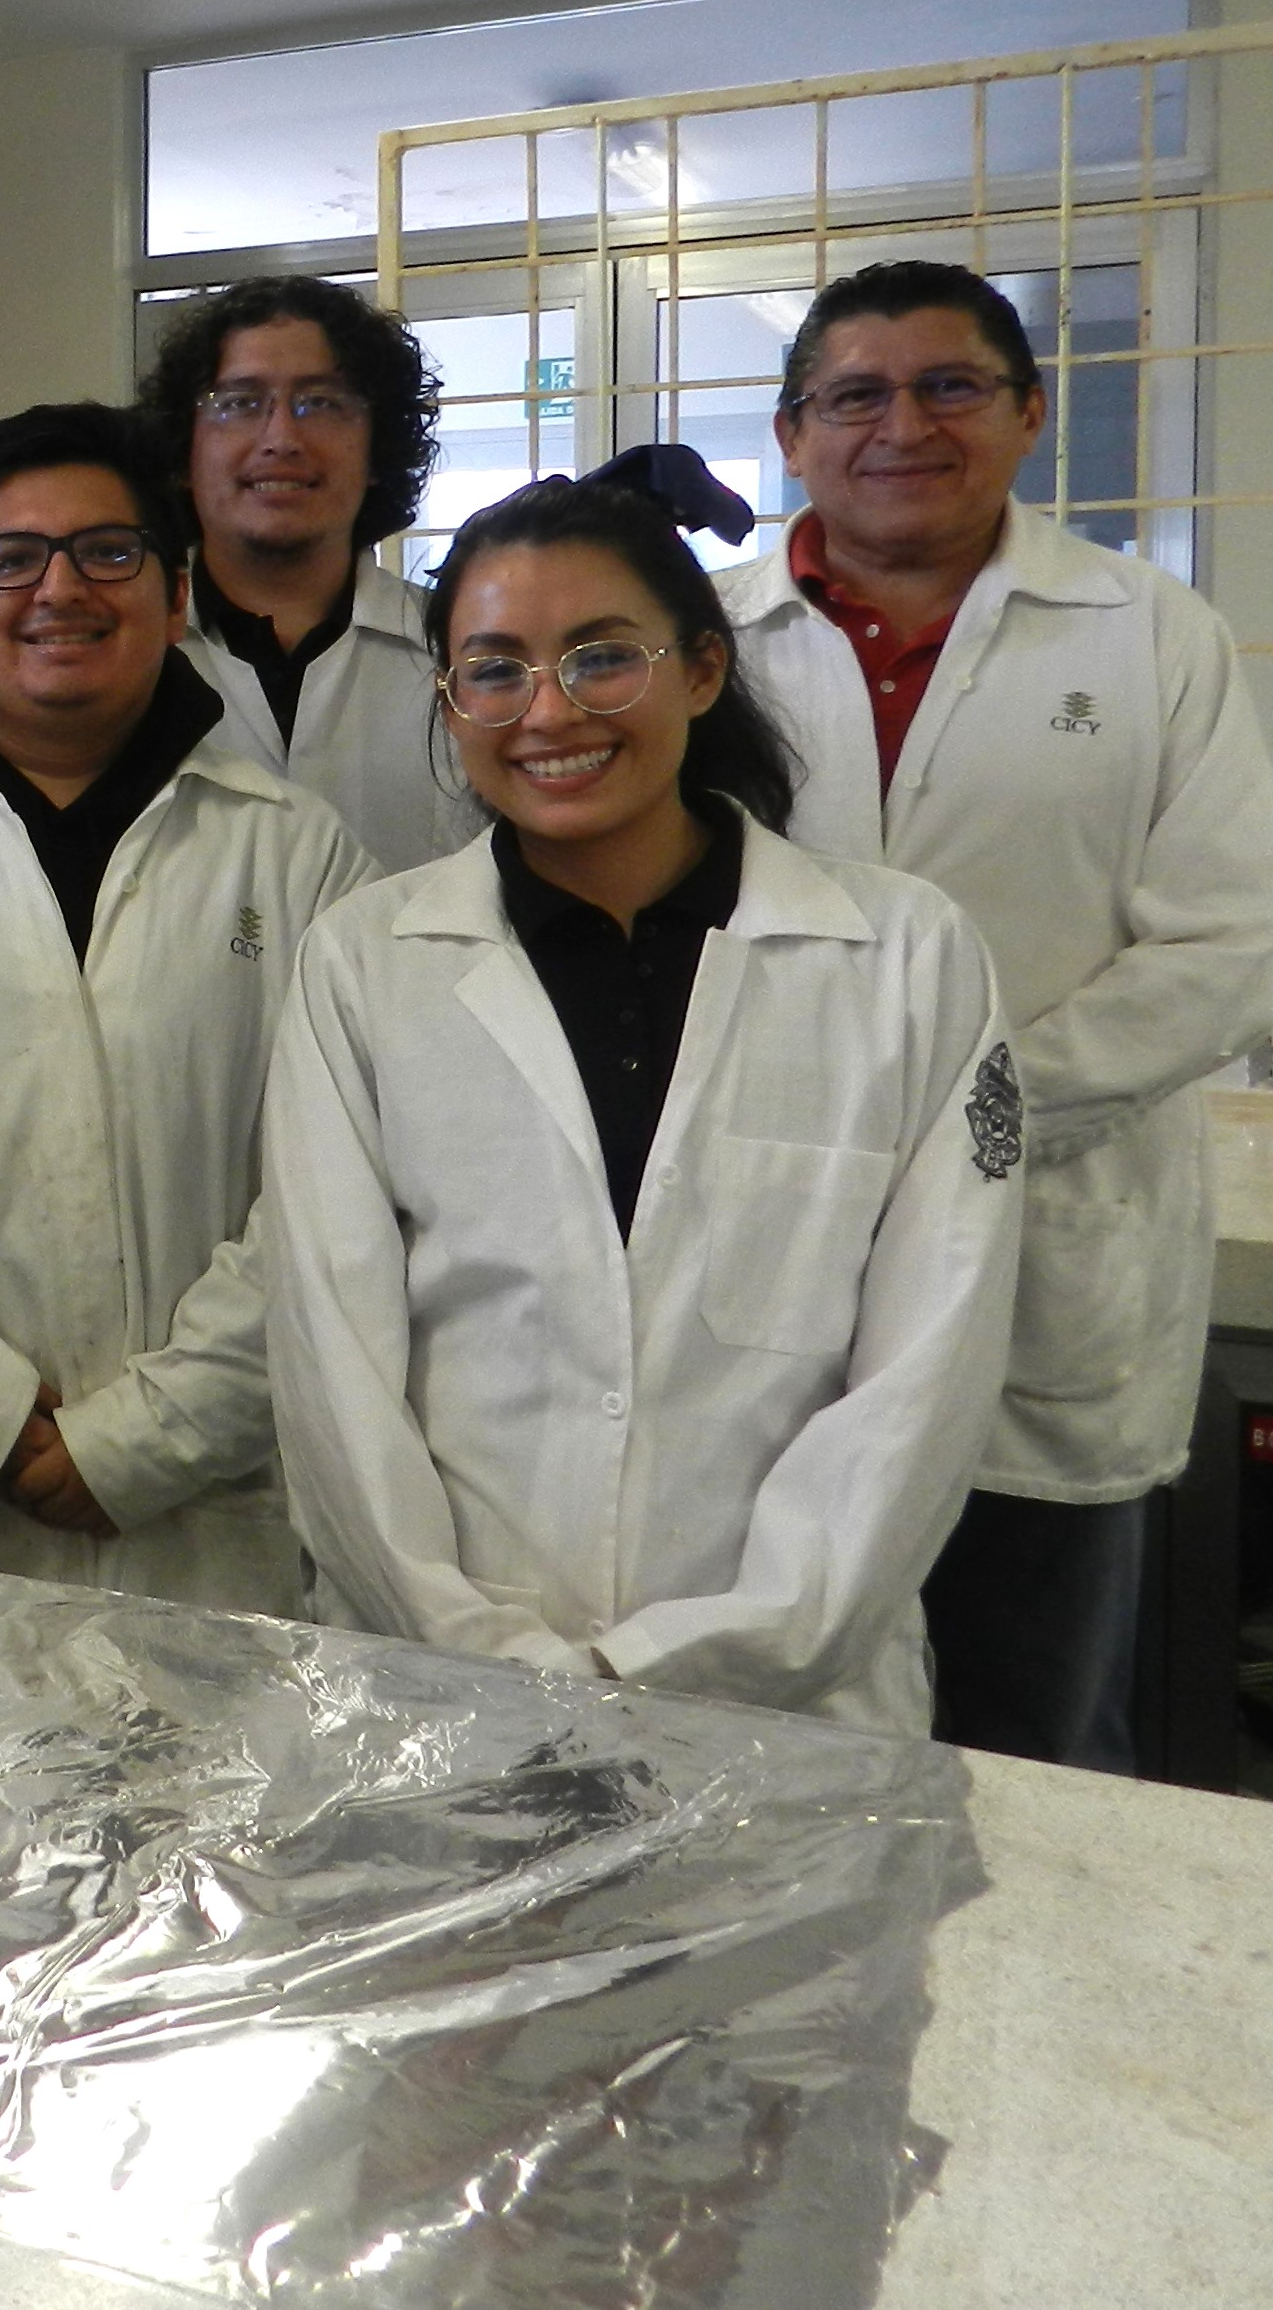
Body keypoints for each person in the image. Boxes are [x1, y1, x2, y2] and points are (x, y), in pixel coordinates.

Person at [263, 470, 1021, 1734]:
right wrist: (486, 1660)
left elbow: (925, 1375)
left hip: (796, 1709)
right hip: (442, 1702)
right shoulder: (362, 966)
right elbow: (331, 1365)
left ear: (703, 670)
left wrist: (682, 1666)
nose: (548, 711)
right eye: (494, 671)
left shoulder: (906, 958)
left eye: (601, 657)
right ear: (450, 704)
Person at [719, 259, 1273, 1770]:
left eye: (950, 387)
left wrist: (957, 1123)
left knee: (1036, 1746)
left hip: (1049, 1270)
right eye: (855, 395)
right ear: (791, 435)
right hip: (761, 1273)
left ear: (1028, 415)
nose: (902, 427)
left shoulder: (1149, 634)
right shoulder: (703, 648)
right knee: (769, 1738)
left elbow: (1223, 951)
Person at [0, 403, 371, 1608]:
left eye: (108, 552)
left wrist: (154, 1435)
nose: (60, 590)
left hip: (223, 1522)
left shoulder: (298, 854)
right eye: (10, 559)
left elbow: (347, 1187)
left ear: (176, 594)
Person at [137, 276, 483, 876]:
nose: (281, 438)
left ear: (377, 449)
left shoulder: (461, 652)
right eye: (240, 403)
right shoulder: (126, 650)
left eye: (321, 403)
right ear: (184, 451)